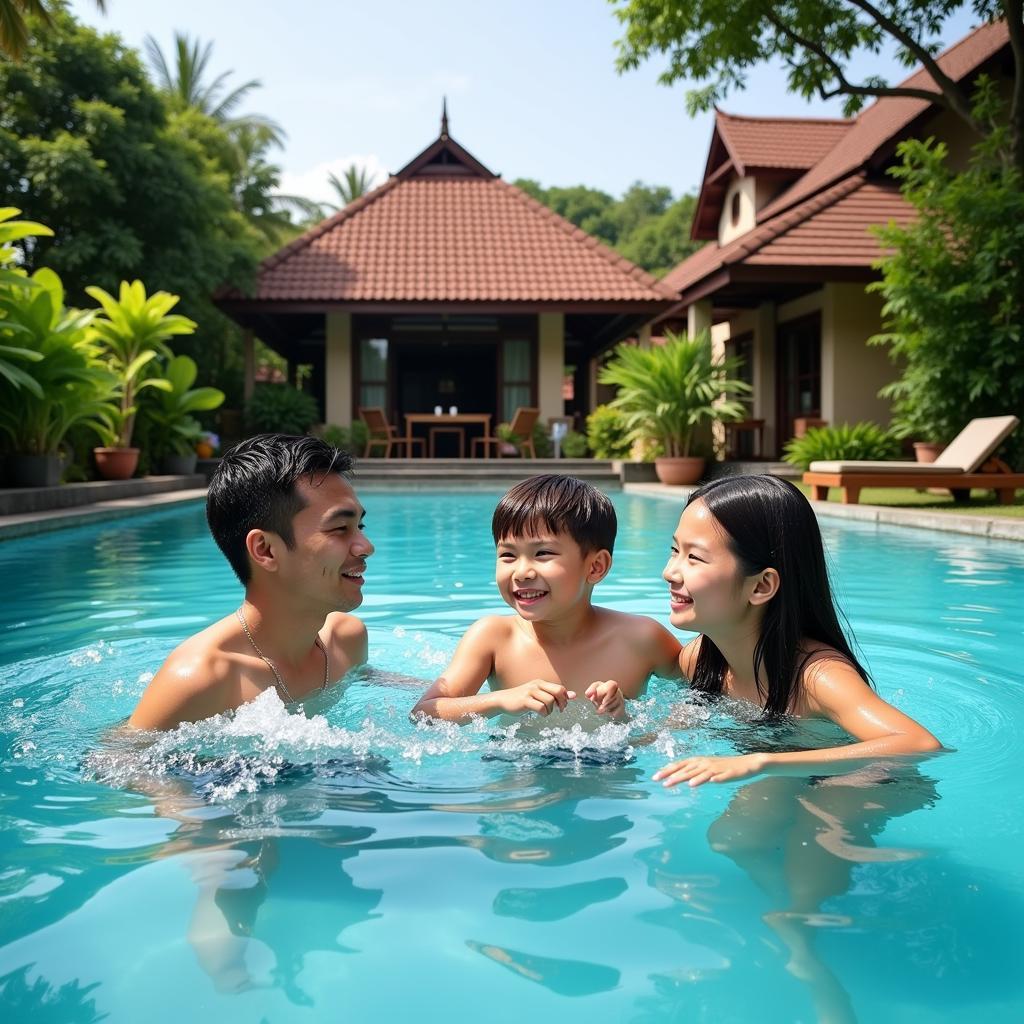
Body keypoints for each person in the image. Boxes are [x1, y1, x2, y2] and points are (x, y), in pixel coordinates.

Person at [654, 475, 942, 788]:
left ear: (762, 585)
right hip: (793, 773)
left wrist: (760, 761)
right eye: (674, 550)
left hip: (869, 780)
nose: (669, 572)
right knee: (732, 834)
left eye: (694, 557)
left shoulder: (817, 677)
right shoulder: (701, 659)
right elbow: (677, 725)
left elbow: (919, 744)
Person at [128, 433, 373, 731]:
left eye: (359, 526)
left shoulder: (347, 641)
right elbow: (120, 761)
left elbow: (375, 681)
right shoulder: (201, 678)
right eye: (339, 528)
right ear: (266, 550)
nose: (366, 546)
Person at [412, 474, 681, 723]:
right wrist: (500, 700)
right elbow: (424, 713)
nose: (521, 572)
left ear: (596, 567)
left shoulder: (642, 639)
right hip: (516, 768)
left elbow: (706, 700)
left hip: (613, 766)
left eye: (542, 553)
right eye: (508, 555)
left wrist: (625, 716)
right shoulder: (493, 638)